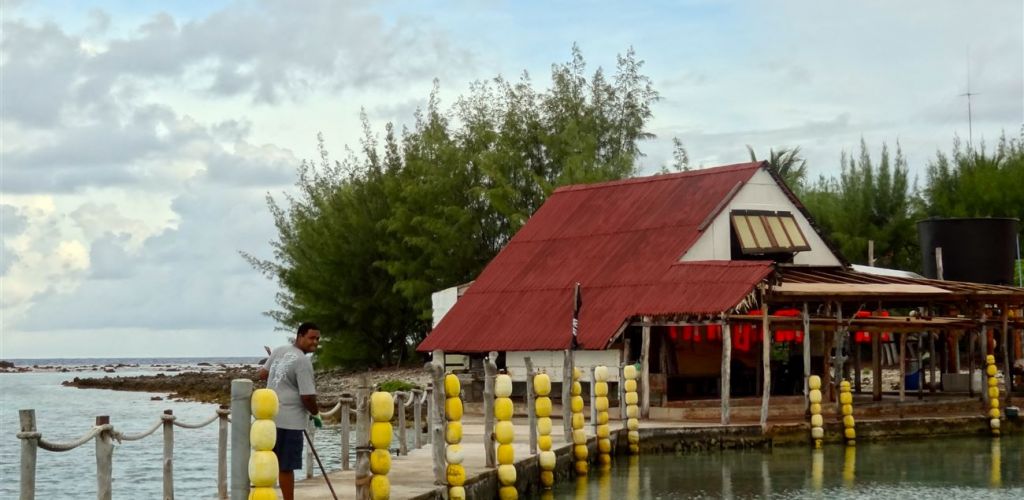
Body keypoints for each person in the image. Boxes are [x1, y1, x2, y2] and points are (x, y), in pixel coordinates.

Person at [258, 322, 322, 500]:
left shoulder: (279, 350)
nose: (315, 342)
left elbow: (262, 374)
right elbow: (307, 397)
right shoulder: (303, 361)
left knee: (266, 463)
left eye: (317, 339)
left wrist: (278, 373)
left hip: (268, 419)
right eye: (311, 338)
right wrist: (316, 415)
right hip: (290, 422)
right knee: (286, 467)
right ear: (300, 336)